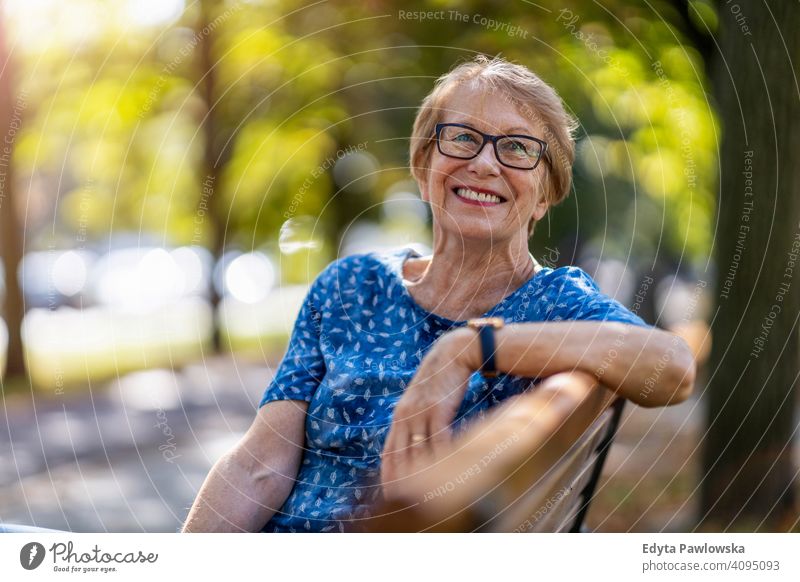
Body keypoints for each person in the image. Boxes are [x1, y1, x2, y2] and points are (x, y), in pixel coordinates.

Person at [182, 55, 695, 533]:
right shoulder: (350, 286)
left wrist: (470, 348)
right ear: (423, 169)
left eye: (517, 147)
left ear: (545, 195)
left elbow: (672, 367)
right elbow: (258, 465)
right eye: (462, 138)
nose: (485, 164)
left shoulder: (555, 304)